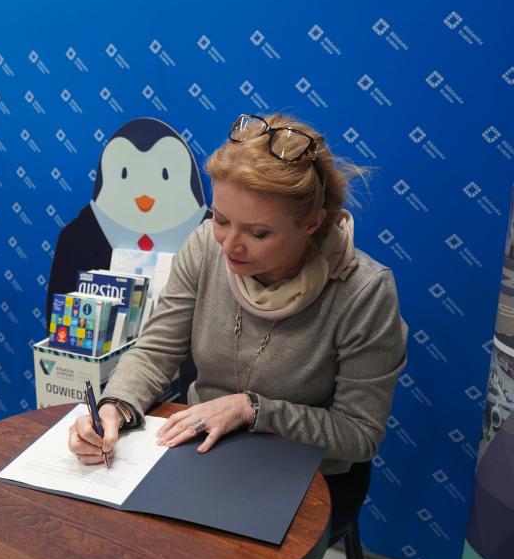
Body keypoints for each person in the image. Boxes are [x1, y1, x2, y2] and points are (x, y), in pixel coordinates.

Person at [68, 113, 407, 535]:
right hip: (200, 451)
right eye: (221, 220)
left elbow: (358, 435)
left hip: (309, 472)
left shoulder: (364, 292)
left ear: (313, 223)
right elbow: (155, 351)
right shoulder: (203, 248)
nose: (228, 244)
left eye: (258, 233)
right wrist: (113, 407)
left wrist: (253, 410)